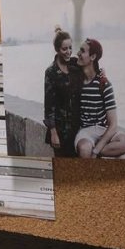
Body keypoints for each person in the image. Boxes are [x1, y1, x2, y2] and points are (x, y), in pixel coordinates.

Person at [73, 38, 125, 159]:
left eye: (82, 51)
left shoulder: (104, 84)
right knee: (84, 148)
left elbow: (113, 124)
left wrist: (96, 150)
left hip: (103, 130)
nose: (78, 53)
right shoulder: (75, 79)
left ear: (92, 57)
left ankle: (97, 149)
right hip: (85, 131)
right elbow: (60, 61)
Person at [43, 27, 80, 157]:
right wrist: (53, 133)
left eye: (70, 48)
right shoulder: (51, 72)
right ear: (57, 49)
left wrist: (102, 72)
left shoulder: (76, 64)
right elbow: (49, 105)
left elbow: (92, 67)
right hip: (60, 131)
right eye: (64, 49)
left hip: (78, 129)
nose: (68, 52)